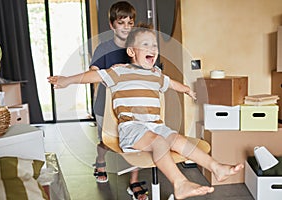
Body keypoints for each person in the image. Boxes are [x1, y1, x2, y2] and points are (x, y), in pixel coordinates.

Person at [48, 23, 244, 200]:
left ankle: (215, 167)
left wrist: (186, 89)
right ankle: (180, 183)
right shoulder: (119, 71)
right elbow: (91, 76)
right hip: (132, 128)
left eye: (154, 46)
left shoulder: (156, 74)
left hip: (156, 126)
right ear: (132, 51)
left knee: (177, 139)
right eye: (146, 45)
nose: (152, 49)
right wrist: (66, 80)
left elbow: (171, 83)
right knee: (159, 142)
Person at [87, 2, 148, 200]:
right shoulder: (103, 48)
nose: (126, 27)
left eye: (130, 23)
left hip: (131, 106)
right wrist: (114, 71)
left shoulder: (138, 47)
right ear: (112, 25)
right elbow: (92, 73)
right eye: (121, 23)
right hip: (105, 106)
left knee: (135, 143)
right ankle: (100, 161)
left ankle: (134, 182)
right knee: (106, 142)